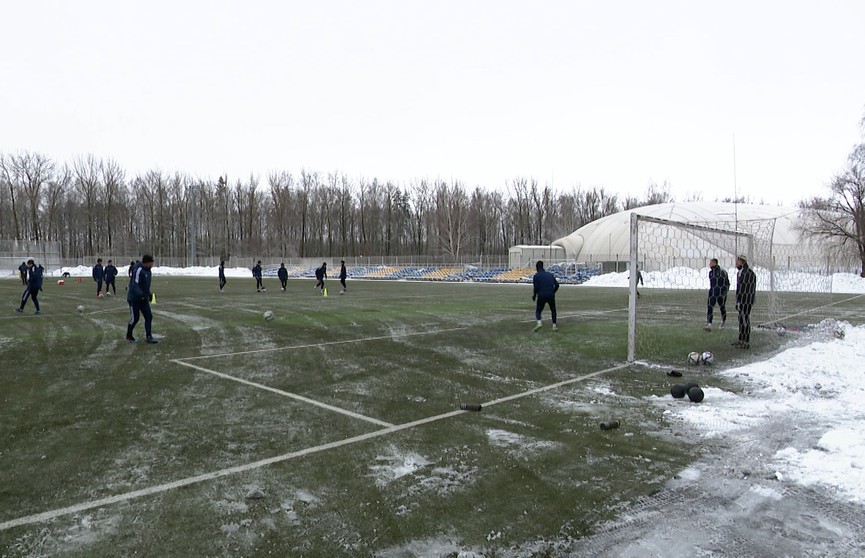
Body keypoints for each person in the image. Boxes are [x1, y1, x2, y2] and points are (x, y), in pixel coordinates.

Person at [126, 254, 157, 344]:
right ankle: (129, 336)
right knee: (135, 318)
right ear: (146, 263)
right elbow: (134, 285)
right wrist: (141, 295)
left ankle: (149, 336)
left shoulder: (149, 271)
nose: (152, 265)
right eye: (151, 263)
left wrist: (149, 294)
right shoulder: (138, 270)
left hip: (143, 299)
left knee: (149, 316)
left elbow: (145, 286)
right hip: (134, 299)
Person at [733, 255, 756, 349]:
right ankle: (741, 339)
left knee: (744, 319)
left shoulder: (748, 273)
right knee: (741, 319)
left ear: (742, 261)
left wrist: (742, 301)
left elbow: (747, 289)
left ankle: (745, 341)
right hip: (743, 300)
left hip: (746, 301)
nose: (736, 263)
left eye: (737, 261)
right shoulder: (741, 272)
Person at [532, 260, 559, 332]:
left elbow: (536, 287)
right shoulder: (550, 274)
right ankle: (554, 325)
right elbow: (557, 285)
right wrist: (553, 292)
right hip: (550, 295)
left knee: (538, 310)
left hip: (541, 295)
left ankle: (539, 322)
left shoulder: (536, 276)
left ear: (537, 267)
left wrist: (534, 295)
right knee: (553, 310)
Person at [704, 258, 730, 331]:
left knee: (722, 307)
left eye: (711, 263)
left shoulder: (722, 272)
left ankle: (723, 322)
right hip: (712, 293)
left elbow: (727, 283)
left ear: (715, 263)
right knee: (710, 307)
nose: (709, 264)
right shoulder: (711, 272)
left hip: (721, 293)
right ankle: (709, 324)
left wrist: (724, 293)